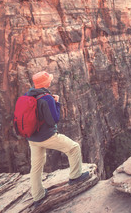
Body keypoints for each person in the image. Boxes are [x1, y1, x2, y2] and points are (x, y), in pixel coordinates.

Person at [26, 71, 90, 204]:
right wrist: (56, 103)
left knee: (36, 167)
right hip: (47, 136)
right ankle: (75, 176)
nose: (50, 80)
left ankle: (38, 196)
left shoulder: (27, 95)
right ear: (45, 83)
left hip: (32, 138)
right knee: (73, 148)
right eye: (49, 79)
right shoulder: (47, 98)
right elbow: (53, 120)